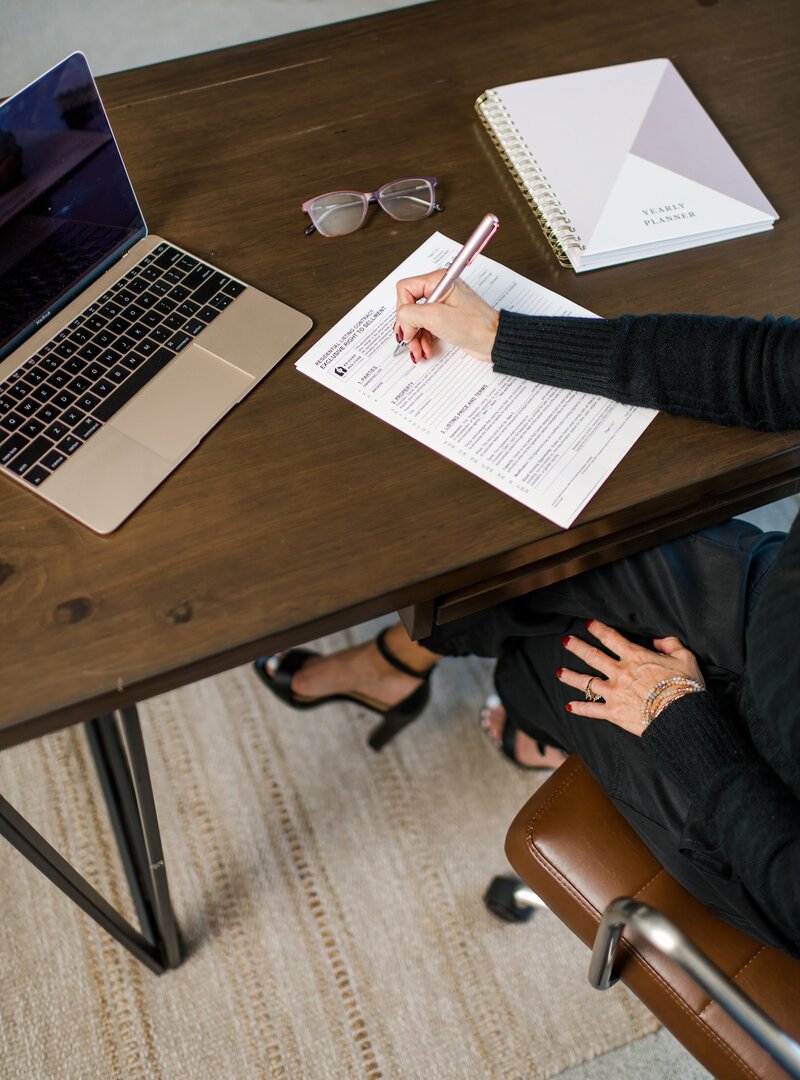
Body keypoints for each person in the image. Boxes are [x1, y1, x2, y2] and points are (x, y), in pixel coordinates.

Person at [255, 270, 800, 958]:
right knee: (553, 549)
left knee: (553, 655)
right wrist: (498, 336)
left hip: (766, 810)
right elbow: (763, 369)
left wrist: (680, 721)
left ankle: (489, 699)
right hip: (776, 616)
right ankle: (404, 664)